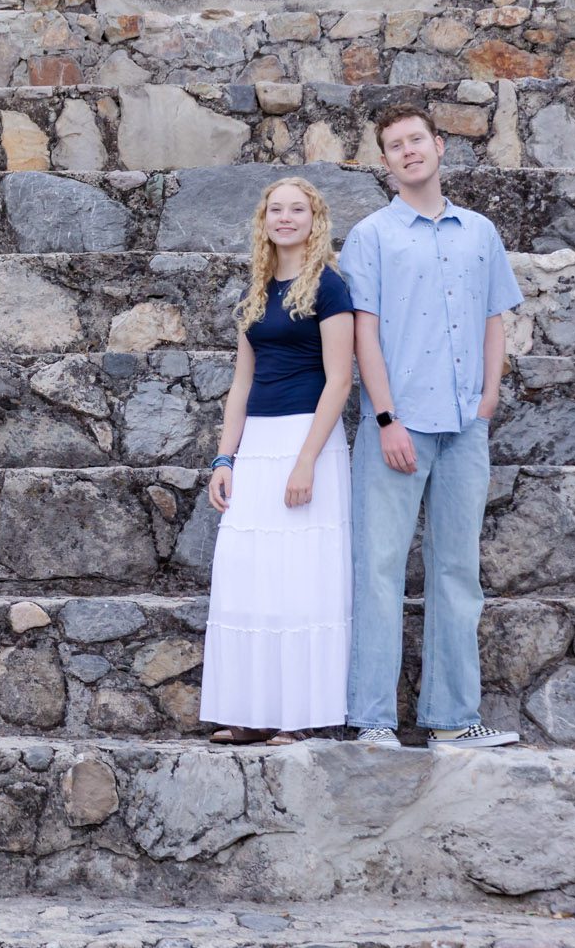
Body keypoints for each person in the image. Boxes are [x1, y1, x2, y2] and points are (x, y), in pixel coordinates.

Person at [340, 104, 524, 750]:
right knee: (381, 568)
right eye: (395, 145)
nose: (409, 151)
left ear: (439, 146)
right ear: (385, 162)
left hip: (465, 425)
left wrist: (489, 395)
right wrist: (386, 417)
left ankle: (451, 719)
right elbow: (364, 330)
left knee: (457, 572)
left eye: (417, 139)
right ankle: (372, 720)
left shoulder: (480, 232)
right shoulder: (372, 236)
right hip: (401, 423)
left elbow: (493, 317)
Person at [202, 177, 355, 745]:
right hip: (257, 446)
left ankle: (296, 718)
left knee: (299, 583)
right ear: (263, 220)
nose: (285, 218)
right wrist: (226, 458)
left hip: (306, 441)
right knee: (250, 579)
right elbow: (241, 383)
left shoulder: (330, 288)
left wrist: (306, 461)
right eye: (275, 209)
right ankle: (250, 713)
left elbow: (340, 380)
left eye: (297, 209)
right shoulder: (258, 291)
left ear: (314, 220)